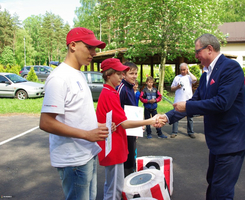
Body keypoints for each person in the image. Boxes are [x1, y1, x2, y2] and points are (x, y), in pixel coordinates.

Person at [157, 34, 245, 200]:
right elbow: (196, 101)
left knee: (221, 191)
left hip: (231, 141)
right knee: (213, 183)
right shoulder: (205, 75)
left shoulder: (231, 68)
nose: (196, 56)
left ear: (209, 49)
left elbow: (222, 103)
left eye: (197, 52)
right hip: (217, 142)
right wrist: (167, 117)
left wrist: (187, 106)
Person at [39, 27, 110, 200]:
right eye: (89, 47)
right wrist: (87, 134)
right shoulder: (59, 78)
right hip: (74, 160)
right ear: (72, 45)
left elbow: (75, 112)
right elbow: (46, 122)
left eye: (94, 49)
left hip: (87, 153)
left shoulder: (78, 74)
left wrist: (96, 127)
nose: (93, 53)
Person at [96, 58, 164, 200]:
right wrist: (150, 120)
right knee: (115, 188)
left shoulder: (110, 91)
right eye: (119, 74)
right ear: (109, 74)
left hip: (116, 144)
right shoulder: (110, 93)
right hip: (113, 147)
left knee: (113, 184)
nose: (122, 76)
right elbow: (124, 123)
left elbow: (115, 120)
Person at [116, 61, 138, 177]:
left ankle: (130, 178)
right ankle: (125, 183)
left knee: (132, 155)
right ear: (123, 74)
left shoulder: (130, 88)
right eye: (131, 73)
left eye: (135, 73)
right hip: (124, 129)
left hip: (132, 129)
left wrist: (138, 126)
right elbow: (116, 110)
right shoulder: (121, 88)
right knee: (126, 157)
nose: (134, 76)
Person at [170, 62, 197, 139]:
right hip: (178, 100)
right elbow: (172, 88)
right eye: (181, 70)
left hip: (188, 100)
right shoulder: (177, 77)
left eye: (184, 70)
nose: (182, 71)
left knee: (190, 118)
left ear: (187, 69)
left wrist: (189, 72)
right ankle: (174, 132)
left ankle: (190, 132)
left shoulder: (189, 77)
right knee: (175, 116)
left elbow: (195, 79)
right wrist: (177, 87)